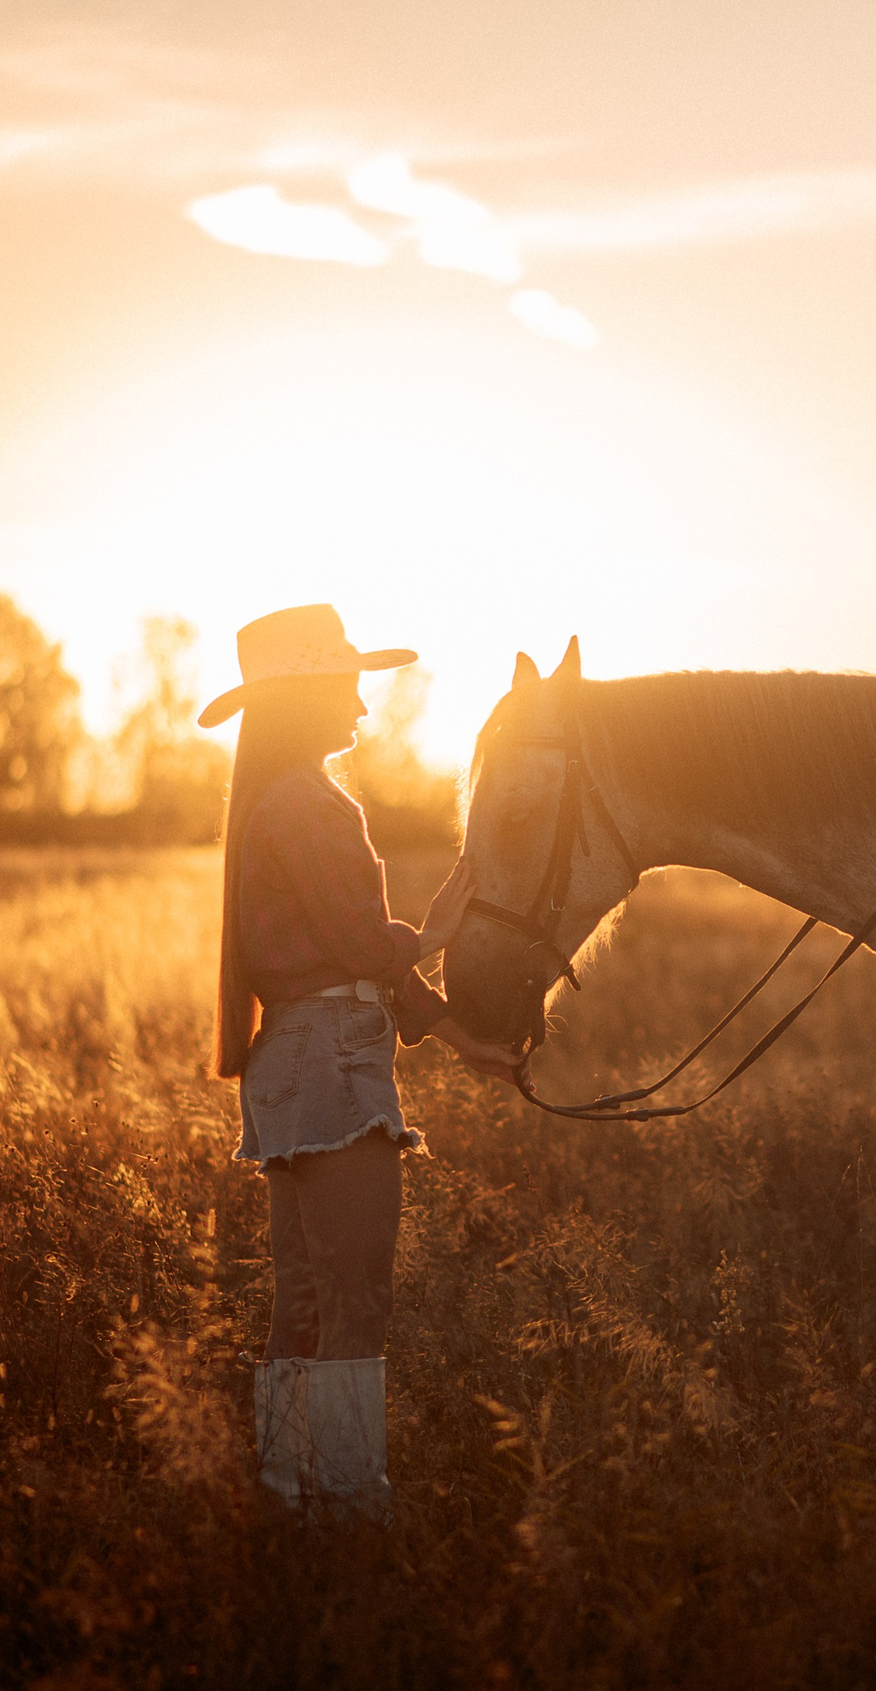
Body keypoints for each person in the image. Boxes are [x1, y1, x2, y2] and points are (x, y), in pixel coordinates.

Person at [198, 603, 516, 1517]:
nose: (363, 708)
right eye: (346, 687)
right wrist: (440, 929)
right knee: (357, 1295)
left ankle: (285, 1488)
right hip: (330, 1056)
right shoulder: (306, 801)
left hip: (296, 1053)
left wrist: (460, 1039)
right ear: (304, 698)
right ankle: (348, 1498)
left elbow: (353, 956)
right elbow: (362, 943)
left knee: (304, 1293)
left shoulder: (280, 797)